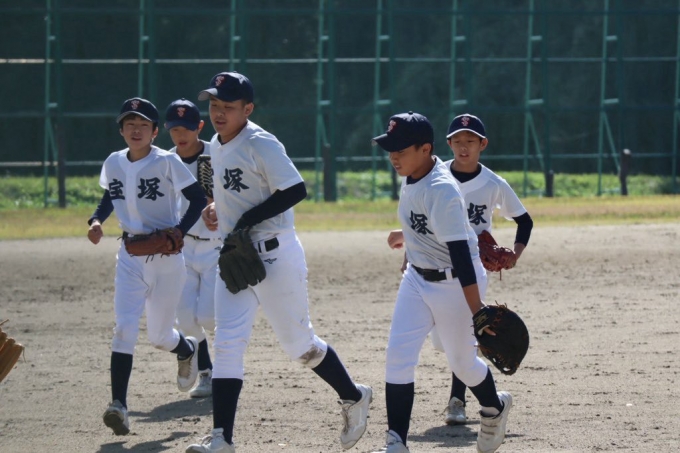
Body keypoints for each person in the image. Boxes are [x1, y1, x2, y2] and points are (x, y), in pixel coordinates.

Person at [185, 71, 372, 453]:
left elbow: (295, 189)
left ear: (247, 109)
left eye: (228, 106)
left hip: (274, 254)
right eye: (214, 105)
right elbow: (234, 192)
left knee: (300, 345)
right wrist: (217, 208)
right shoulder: (216, 145)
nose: (219, 112)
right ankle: (222, 438)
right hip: (234, 255)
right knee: (227, 344)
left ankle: (353, 396)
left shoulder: (261, 142)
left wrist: (246, 220)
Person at [371, 111, 512, 453]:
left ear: (425, 149)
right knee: (398, 355)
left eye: (401, 150)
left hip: (455, 282)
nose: (393, 157)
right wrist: (406, 236)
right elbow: (423, 222)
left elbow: (460, 254)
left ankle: (494, 408)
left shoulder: (442, 190)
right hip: (416, 279)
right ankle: (396, 443)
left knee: (462, 363)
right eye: (390, 149)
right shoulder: (412, 172)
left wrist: (477, 310)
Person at [87, 97, 207, 435]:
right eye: (130, 124)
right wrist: (96, 220)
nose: (135, 130)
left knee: (159, 337)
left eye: (143, 125)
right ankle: (119, 406)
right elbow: (111, 195)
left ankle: (186, 348)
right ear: (121, 130)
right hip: (129, 257)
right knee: (124, 329)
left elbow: (198, 198)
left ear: (155, 132)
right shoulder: (113, 162)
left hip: (166, 259)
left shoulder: (167, 161)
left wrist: (179, 232)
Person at [164, 98, 221, 398]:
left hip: (216, 248)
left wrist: (219, 206)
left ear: (199, 126)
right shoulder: (164, 161)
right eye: (175, 129)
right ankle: (207, 373)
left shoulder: (217, 154)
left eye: (187, 128)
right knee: (185, 319)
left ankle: (227, 365)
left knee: (209, 318)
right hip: (183, 249)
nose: (181, 135)